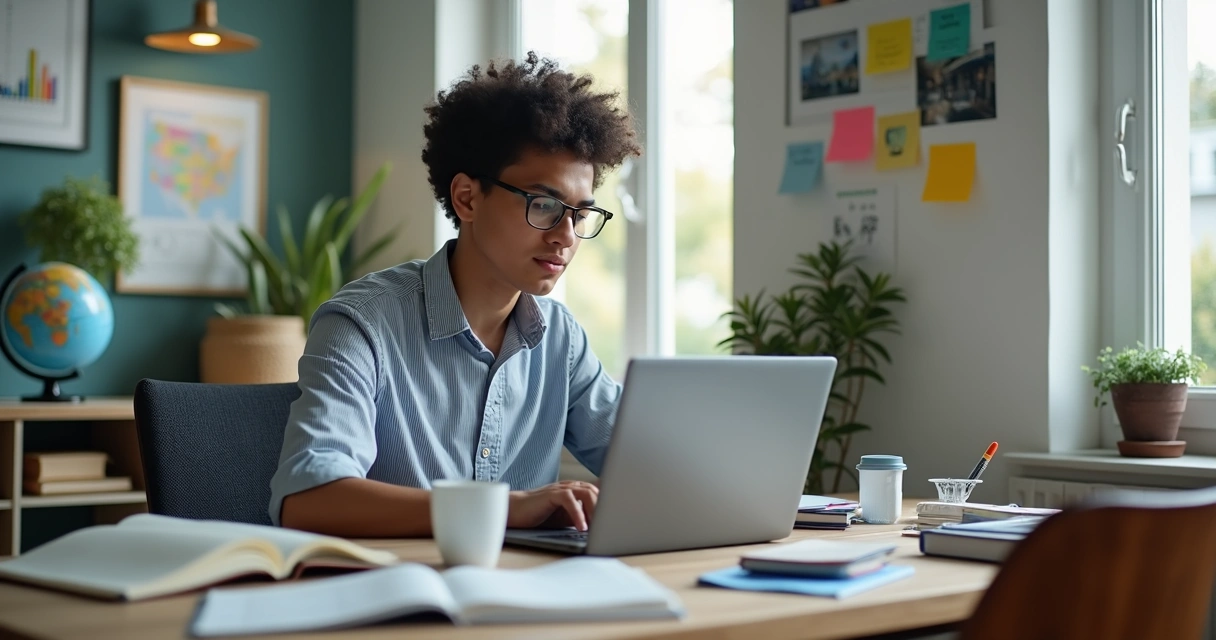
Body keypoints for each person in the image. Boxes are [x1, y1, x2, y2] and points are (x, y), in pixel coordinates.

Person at [268, 52, 642, 538]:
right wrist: (504, 510)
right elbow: (308, 500)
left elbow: (650, 464)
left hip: (528, 583)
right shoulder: (362, 324)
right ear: (467, 197)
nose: (566, 236)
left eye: (580, 214)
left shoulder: (561, 340)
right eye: (544, 205)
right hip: (395, 582)